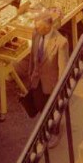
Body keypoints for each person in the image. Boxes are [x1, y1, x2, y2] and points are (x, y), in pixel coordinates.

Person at [28, 13, 69, 148]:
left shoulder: (61, 43)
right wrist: (30, 74)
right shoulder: (36, 35)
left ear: (48, 27)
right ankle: (46, 126)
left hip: (51, 84)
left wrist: (60, 91)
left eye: (38, 27)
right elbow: (32, 57)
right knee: (40, 105)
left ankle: (55, 131)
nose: (36, 29)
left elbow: (63, 70)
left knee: (52, 110)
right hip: (37, 80)